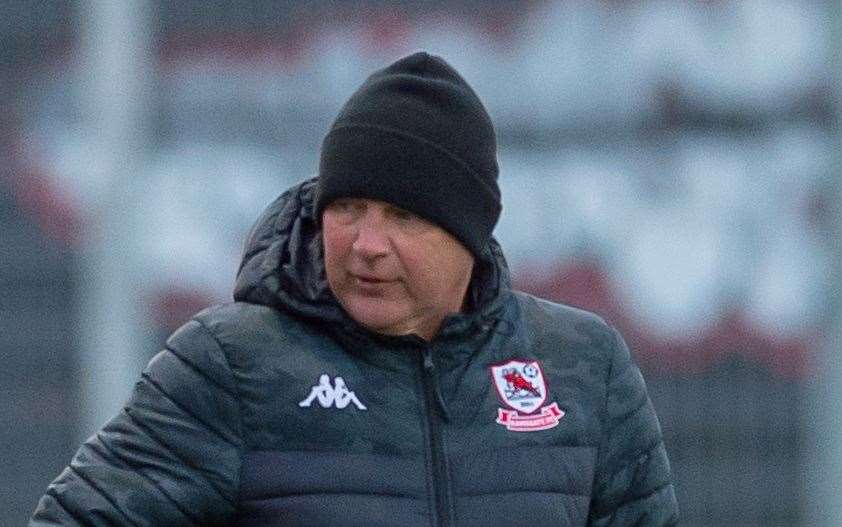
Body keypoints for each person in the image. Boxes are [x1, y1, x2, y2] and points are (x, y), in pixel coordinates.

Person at [31, 52, 678, 526]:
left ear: (470, 233)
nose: (367, 243)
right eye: (347, 208)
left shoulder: (582, 366)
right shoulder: (231, 365)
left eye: (403, 216)